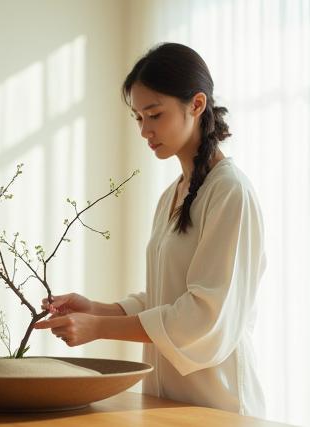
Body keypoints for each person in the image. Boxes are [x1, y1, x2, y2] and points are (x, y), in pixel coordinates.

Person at [33, 42, 266, 418]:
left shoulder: (229, 192)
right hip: (166, 399)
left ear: (197, 105)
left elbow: (202, 315)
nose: (145, 130)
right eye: (138, 118)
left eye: (154, 115)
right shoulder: (172, 195)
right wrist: (98, 309)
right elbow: (165, 296)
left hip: (218, 404)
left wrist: (99, 328)